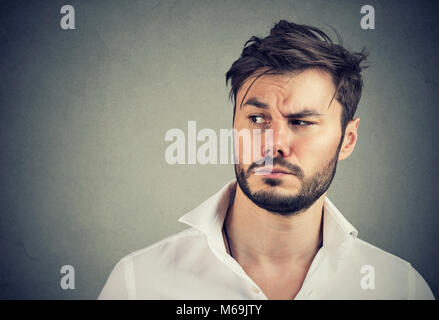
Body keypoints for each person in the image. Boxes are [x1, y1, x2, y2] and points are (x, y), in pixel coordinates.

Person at [98, 20, 434, 300]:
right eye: (257, 120)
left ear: (347, 140)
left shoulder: (400, 289)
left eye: (301, 122)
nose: (274, 145)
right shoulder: (138, 285)